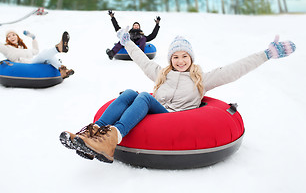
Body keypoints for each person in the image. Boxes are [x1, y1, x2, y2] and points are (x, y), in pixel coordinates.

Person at [60, 27, 296, 163]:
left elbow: (234, 70)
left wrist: (266, 54)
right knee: (132, 92)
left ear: (190, 58)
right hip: (152, 113)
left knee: (143, 96)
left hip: (173, 118)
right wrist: (127, 43)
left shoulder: (200, 79)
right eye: (175, 57)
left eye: (184, 56)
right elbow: (142, 60)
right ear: (170, 59)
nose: (180, 61)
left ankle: (114, 137)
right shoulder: (161, 74)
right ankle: (91, 134)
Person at [0, 16, 74, 79]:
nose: (11, 37)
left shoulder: (23, 48)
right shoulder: (6, 49)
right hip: (29, 66)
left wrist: (33, 38)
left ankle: (62, 70)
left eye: (13, 35)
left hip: (35, 61)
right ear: (7, 39)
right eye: (9, 36)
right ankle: (58, 48)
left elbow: (35, 51)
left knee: (47, 56)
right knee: (44, 53)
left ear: (17, 36)